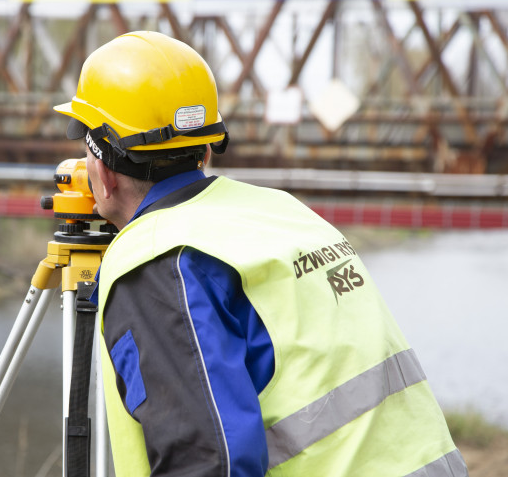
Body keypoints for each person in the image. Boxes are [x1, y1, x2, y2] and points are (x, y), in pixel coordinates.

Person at [54, 31, 467, 477]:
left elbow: (208, 464)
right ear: (207, 149)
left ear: (102, 170)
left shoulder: (158, 261)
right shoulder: (280, 211)